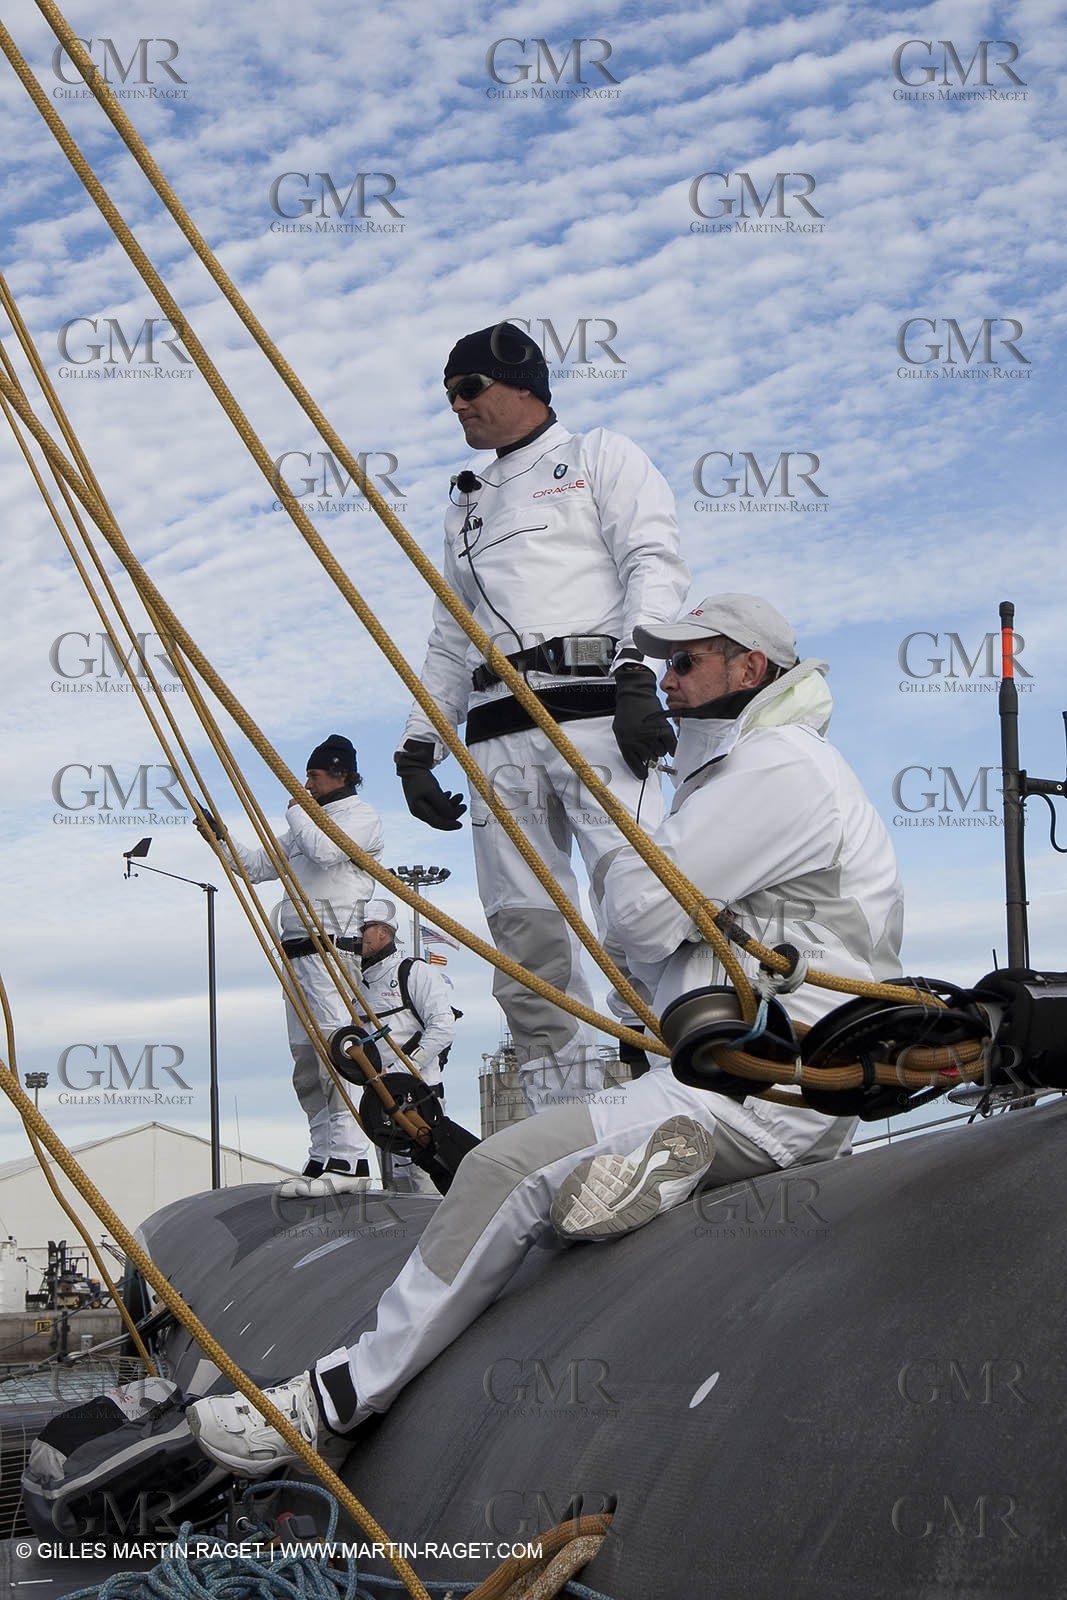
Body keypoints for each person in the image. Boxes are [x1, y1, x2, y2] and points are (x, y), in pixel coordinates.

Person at [188, 595, 905, 1477]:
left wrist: (627, 854)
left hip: (749, 1094)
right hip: (766, 1084)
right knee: (557, 1191)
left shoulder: (776, 766)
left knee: (500, 1170)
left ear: (749, 667)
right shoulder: (756, 769)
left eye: (685, 663)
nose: (665, 681)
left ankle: (333, 1399)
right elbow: (657, 926)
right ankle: (620, 1189)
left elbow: (638, 918)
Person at [394, 321, 690, 1114]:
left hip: (594, 713)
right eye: (448, 394)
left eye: (468, 389)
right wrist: (418, 747)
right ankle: (566, 1120)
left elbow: (651, 562)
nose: (457, 406)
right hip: (495, 732)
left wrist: (639, 672)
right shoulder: (463, 505)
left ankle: (679, 1082)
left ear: (522, 384)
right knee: (524, 935)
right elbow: (450, 635)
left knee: (640, 906)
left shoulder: (599, 456)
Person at [199, 734, 384, 1198]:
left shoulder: (360, 817)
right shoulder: (307, 824)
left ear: (340, 775)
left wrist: (298, 810)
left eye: (314, 776)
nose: (307, 784)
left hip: (331, 949)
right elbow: (257, 866)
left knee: (337, 1052)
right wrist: (221, 839)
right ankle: (323, 1153)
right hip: (298, 953)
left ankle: (351, 1158)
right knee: (306, 1061)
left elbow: (325, 852)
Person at [356, 898, 457, 1195]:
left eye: (363, 929)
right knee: (396, 1192)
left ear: (383, 932)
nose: (356, 937)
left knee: (427, 1191)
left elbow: (443, 1028)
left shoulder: (414, 972)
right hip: (379, 1108)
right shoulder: (355, 982)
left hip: (419, 1102)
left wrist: (400, 1070)